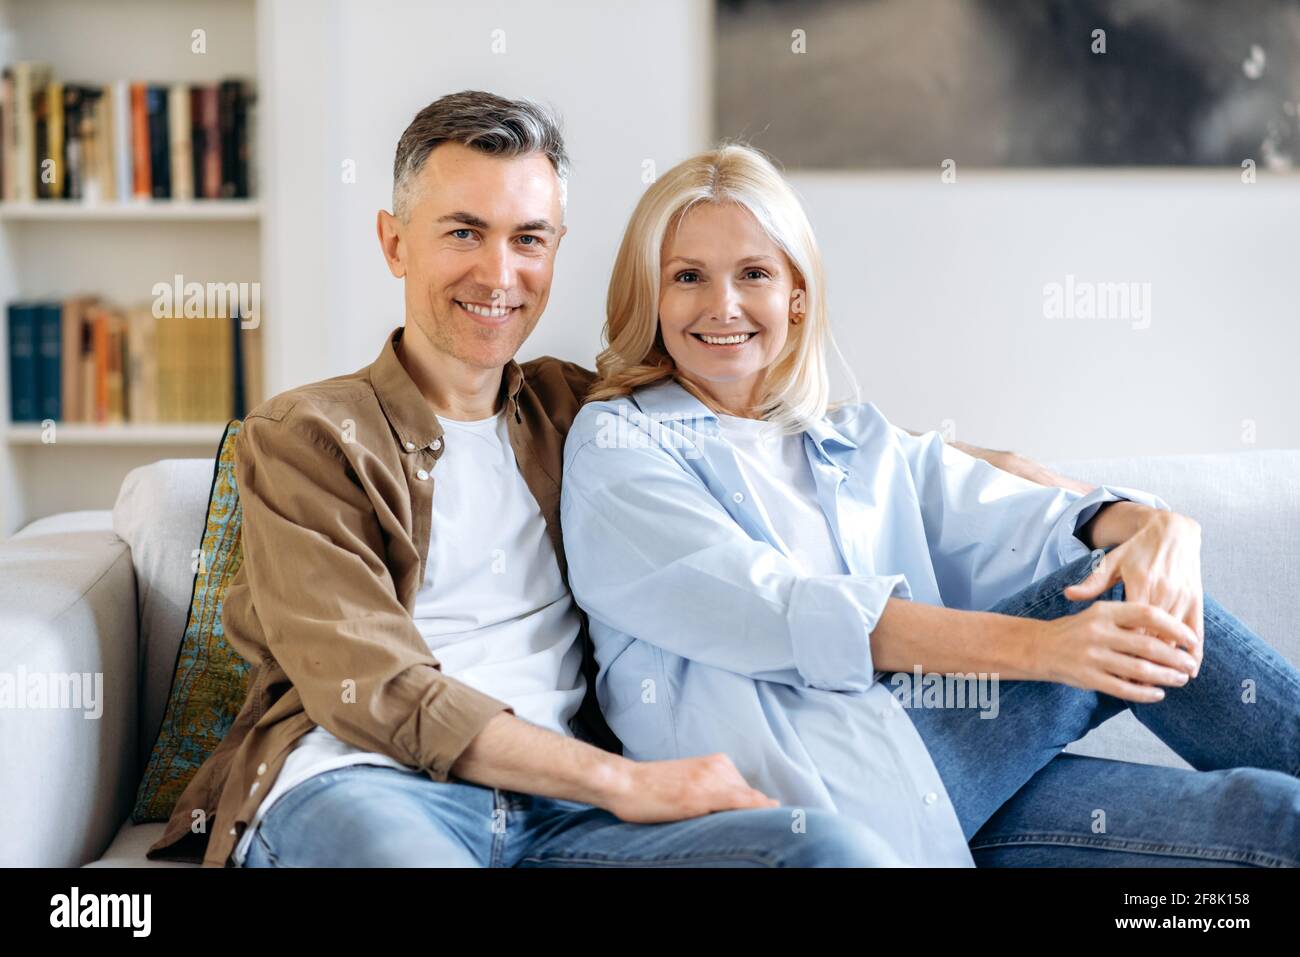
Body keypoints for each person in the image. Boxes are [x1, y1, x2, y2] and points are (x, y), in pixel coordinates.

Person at [146, 90, 1069, 868]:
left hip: (562, 817)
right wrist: (624, 780)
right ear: (395, 242)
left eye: (530, 238)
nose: (499, 273)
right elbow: (374, 688)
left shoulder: (579, 415)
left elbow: (758, 417)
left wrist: (975, 463)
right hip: (369, 786)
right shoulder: (308, 436)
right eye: (464, 231)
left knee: (824, 849)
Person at [559, 142, 1300, 867]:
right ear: (651, 295)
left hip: (951, 785)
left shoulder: (853, 438)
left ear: (795, 293)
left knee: (1272, 820)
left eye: (752, 272)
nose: (722, 304)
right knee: (1130, 588)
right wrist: (1047, 650)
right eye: (688, 276)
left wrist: (1155, 524)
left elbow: (1023, 521)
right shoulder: (620, 446)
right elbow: (783, 608)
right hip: (814, 792)